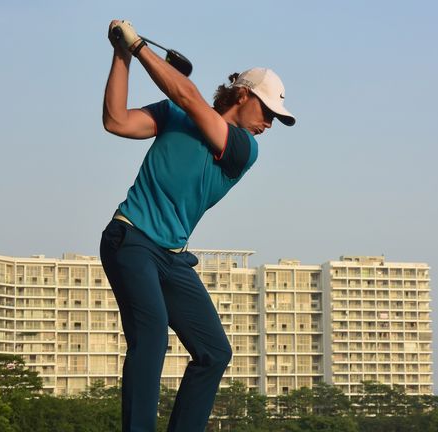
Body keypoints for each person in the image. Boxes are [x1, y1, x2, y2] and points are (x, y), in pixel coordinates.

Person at [99, 20, 295, 432]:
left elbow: (188, 96)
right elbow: (116, 121)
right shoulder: (172, 115)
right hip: (131, 238)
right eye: (268, 111)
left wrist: (138, 47)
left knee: (213, 352)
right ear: (243, 95)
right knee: (151, 337)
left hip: (170, 258)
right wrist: (121, 55)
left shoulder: (244, 148)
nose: (270, 123)